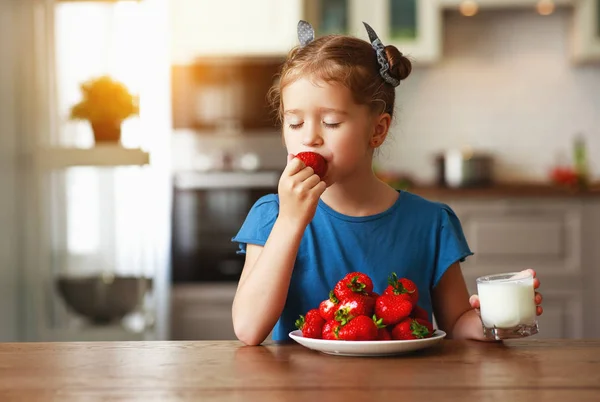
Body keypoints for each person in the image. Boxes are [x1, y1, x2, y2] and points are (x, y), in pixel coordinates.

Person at [231, 21, 543, 346]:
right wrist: (291, 221)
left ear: (377, 130)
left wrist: (496, 320)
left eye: (331, 122)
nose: (309, 137)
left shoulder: (430, 223)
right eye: (294, 122)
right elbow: (249, 329)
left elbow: (457, 322)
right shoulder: (272, 216)